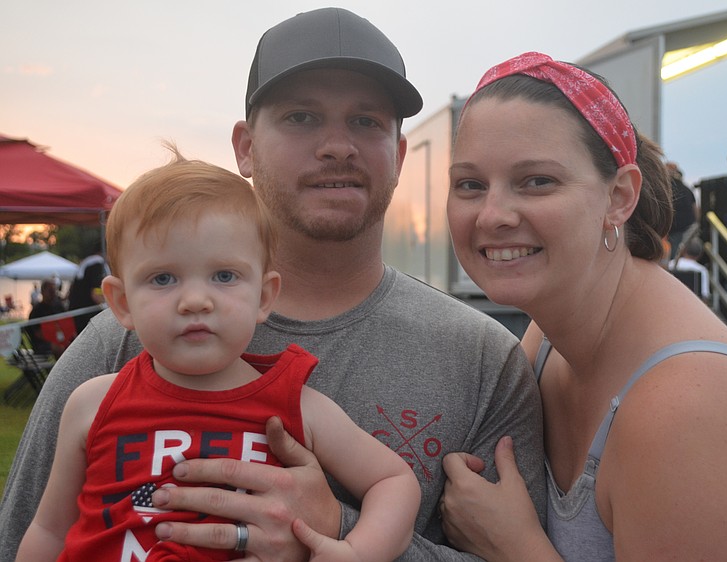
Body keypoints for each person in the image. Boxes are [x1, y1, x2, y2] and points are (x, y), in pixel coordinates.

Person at [0, 8, 546, 561]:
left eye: (367, 121)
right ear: (244, 147)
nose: (339, 145)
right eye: (301, 117)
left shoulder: (482, 360)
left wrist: (330, 531)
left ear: (399, 155)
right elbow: (25, 535)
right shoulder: (118, 345)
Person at [439, 52, 727, 560]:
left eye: (537, 181)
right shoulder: (547, 341)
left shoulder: (687, 411)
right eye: (470, 184)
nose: (493, 214)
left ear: (619, 196)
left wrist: (516, 548)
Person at [16, 151, 421, 562]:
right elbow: (49, 529)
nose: (195, 301)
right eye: (163, 278)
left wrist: (357, 551)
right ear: (121, 303)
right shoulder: (92, 403)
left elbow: (393, 481)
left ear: (264, 297)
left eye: (224, 276)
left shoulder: (295, 407)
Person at [66, 240, 107, 333]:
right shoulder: (96, 263)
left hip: (77, 312)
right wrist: (108, 307)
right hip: (86, 313)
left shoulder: (87, 262)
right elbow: (95, 292)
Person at [26, 277, 69, 358]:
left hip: (60, 338)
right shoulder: (36, 310)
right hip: (42, 343)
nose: (53, 294)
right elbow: (38, 333)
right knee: (59, 347)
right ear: (42, 292)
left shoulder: (59, 306)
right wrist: (56, 338)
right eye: (50, 291)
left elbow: (67, 323)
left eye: (54, 291)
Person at [666, 161, 699, 262]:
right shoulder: (687, 189)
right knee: (688, 254)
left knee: (674, 257)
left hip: (674, 229)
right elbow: (695, 209)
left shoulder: (667, 189)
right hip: (689, 229)